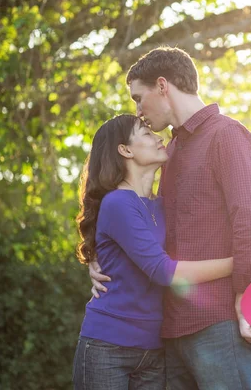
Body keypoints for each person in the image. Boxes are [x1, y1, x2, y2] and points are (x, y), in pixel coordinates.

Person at [90, 47, 251, 389]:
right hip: (171, 333)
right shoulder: (170, 151)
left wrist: (247, 297)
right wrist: (99, 260)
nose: (138, 112)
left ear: (162, 86)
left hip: (218, 325)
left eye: (138, 98)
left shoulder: (226, 135)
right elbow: (145, 228)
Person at [73, 115, 235, 389]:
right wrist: (238, 262)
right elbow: (162, 270)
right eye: (146, 134)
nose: (159, 137)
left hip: (153, 349)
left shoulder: (160, 205)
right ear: (125, 150)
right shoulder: (118, 203)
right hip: (108, 347)